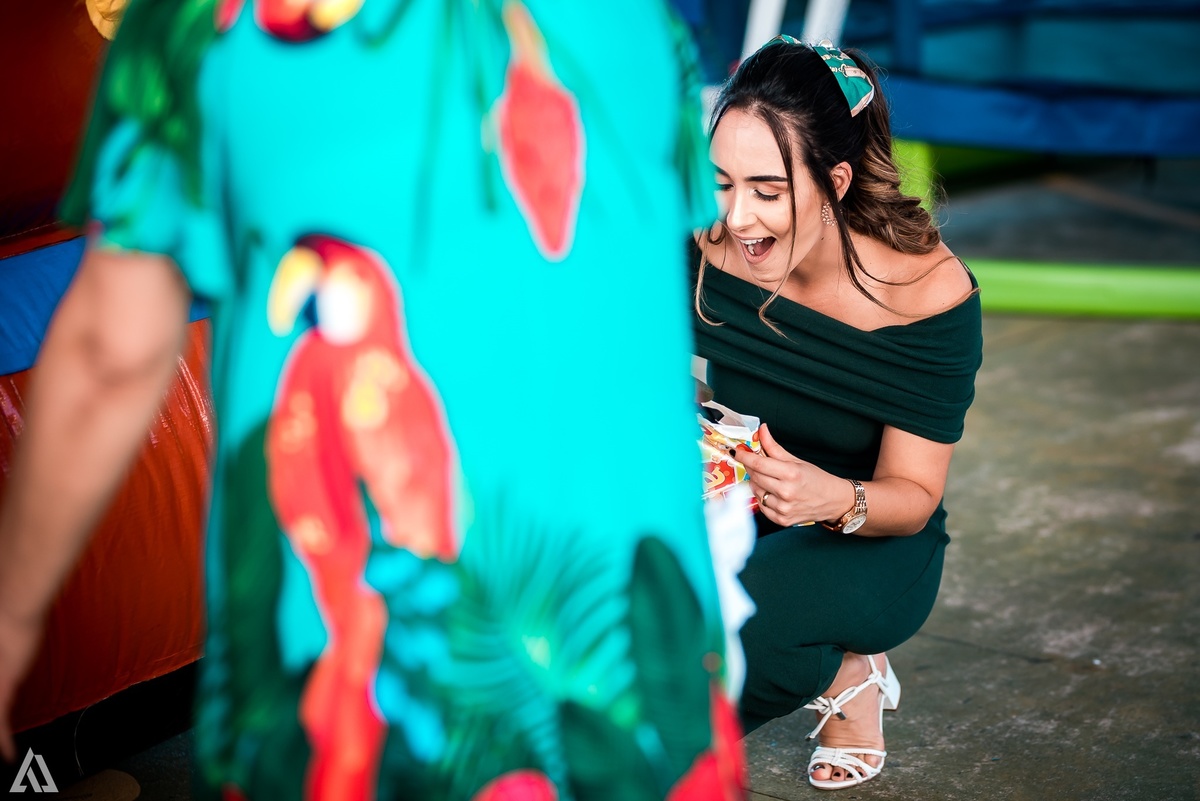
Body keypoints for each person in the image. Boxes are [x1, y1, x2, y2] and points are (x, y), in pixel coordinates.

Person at [0, 1, 748, 798]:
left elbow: (112, 348)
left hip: (376, 679)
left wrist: (13, 613)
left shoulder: (209, 30)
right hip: (626, 661)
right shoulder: (627, 25)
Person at [691, 35, 983, 790]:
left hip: (868, 530)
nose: (738, 216)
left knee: (730, 642)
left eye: (768, 189)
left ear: (835, 180)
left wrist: (833, 497)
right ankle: (837, 656)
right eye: (719, 182)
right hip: (732, 501)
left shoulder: (926, 293)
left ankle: (847, 663)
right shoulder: (703, 239)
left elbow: (912, 496)